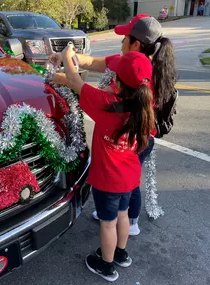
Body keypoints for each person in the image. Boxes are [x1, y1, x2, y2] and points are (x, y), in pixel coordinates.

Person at [50, 14, 177, 236]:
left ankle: (129, 220)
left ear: (136, 44)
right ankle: (122, 220)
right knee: (127, 180)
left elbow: (78, 83)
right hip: (138, 137)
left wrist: (66, 61)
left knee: (126, 182)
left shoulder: (139, 75)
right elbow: (95, 62)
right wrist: (66, 58)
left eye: (124, 38)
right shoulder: (137, 65)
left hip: (131, 138)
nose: (120, 43)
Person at [61, 46, 155, 281]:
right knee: (123, 215)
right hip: (129, 177)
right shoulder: (145, 108)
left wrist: (65, 54)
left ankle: (106, 264)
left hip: (108, 180)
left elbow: (74, 80)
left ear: (119, 83)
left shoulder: (107, 104)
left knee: (108, 224)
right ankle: (121, 254)